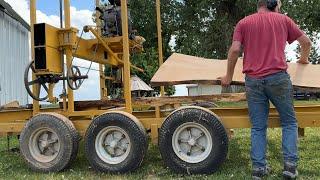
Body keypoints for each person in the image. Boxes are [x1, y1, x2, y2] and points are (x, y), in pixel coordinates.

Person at [219, 0, 312, 179]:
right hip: (278, 79)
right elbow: (306, 43)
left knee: (258, 127)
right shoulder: (283, 20)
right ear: (274, 4)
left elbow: (234, 50)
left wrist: (228, 77)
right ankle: (290, 168)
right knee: (289, 122)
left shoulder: (243, 23)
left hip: (253, 81)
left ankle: (259, 169)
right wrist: (303, 59)